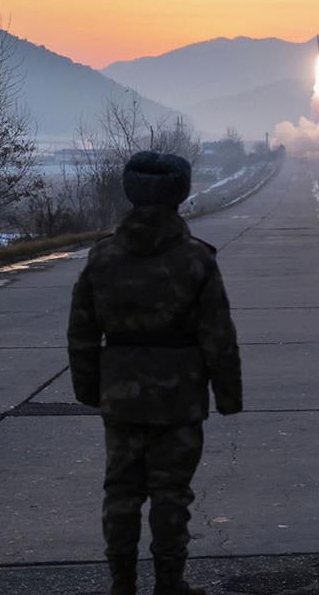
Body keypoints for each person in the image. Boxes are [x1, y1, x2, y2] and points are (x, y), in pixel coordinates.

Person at [67, 151, 243, 595]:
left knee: (121, 493)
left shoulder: (102, 258)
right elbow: (218, 335)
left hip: (121, 394)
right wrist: (227, 395)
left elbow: (81, 331)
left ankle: (121, 583)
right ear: (180, 194)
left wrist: (91, 389)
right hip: (179, 397)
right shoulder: (196, 260)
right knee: (171, 494)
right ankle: (169, 582)